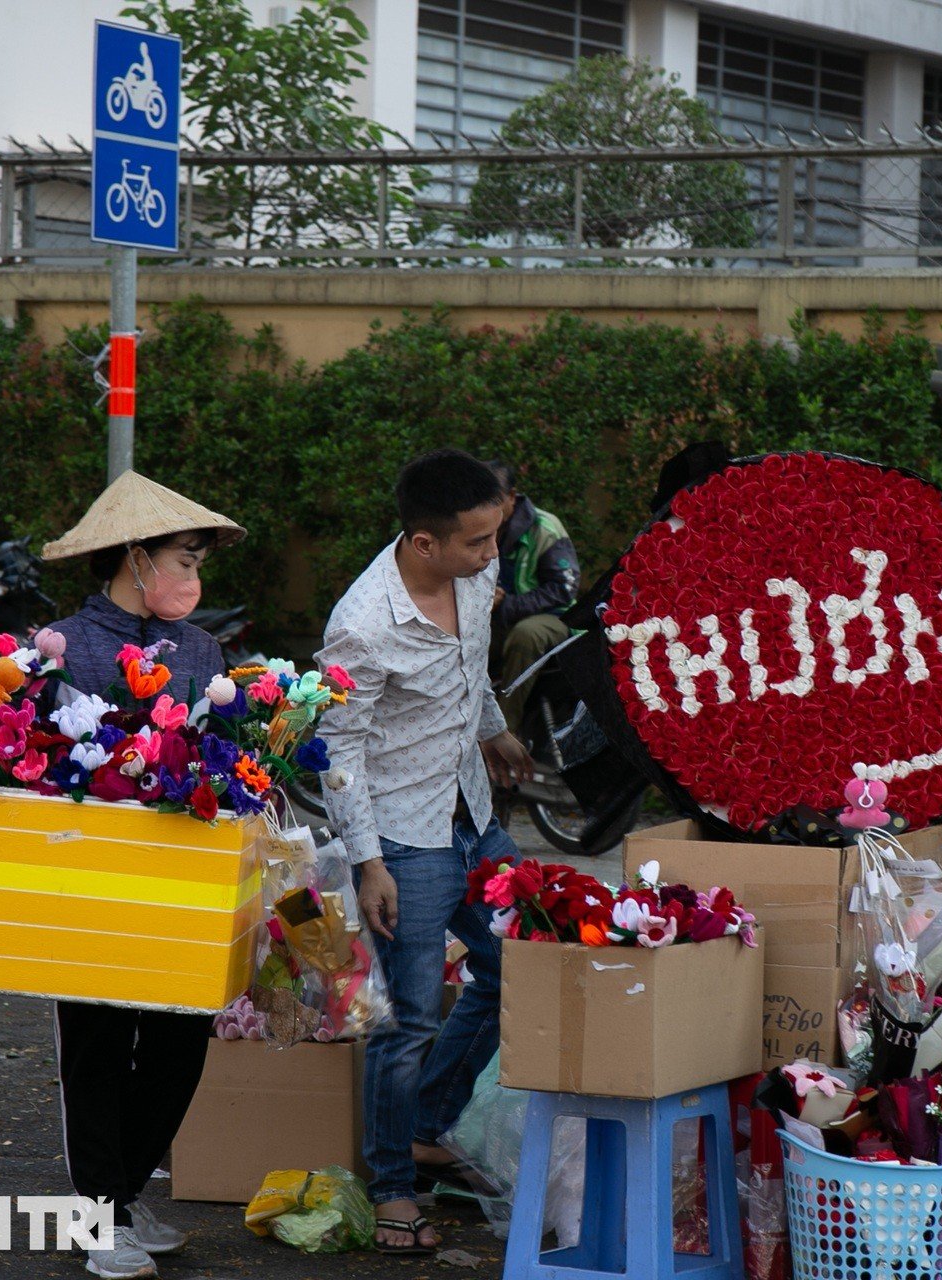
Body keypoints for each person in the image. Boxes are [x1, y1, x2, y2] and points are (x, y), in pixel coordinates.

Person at [316, 448, 535, 1255]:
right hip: (404, 837)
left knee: (516, 968)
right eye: (476, 542)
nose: (492, 558)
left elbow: (470, 670)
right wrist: (368, 861)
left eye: (495, 536)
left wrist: (495, 729)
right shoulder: (364, 624)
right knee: (407, 1021)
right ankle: (393, 1185)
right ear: (421, 542)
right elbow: (337, 749)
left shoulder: (474, 578)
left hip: (474, 816)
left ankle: (428, 1124)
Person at [38, 470, 246, 1280]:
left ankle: (119, 1198)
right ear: (134, 556)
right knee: (95, 1044)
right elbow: (48, 771)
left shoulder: (203, 650)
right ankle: (99, 1214)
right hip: (91, 881)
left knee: (177, 1044)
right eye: (183, 559)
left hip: (182, 883)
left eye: (198, 562)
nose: (193, 579)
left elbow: (226, 757)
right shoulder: (65, 646)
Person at [482, 460, 580, 734]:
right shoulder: (473, 526)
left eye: (494, 501)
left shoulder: (545, 527)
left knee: (527, 635)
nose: (487, 509)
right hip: (495, 617)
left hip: (553, 619)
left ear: (512, 497)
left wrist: (507, 604)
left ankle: (504, 732)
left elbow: (564, 588)